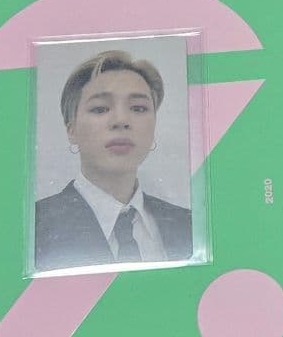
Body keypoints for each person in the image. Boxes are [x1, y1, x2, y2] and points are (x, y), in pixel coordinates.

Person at [35, 49, 192, 271]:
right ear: (71, 130)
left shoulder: (190, 224)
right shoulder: (36, 225)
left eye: (138, 108)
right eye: (100, 109)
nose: (121, 120)